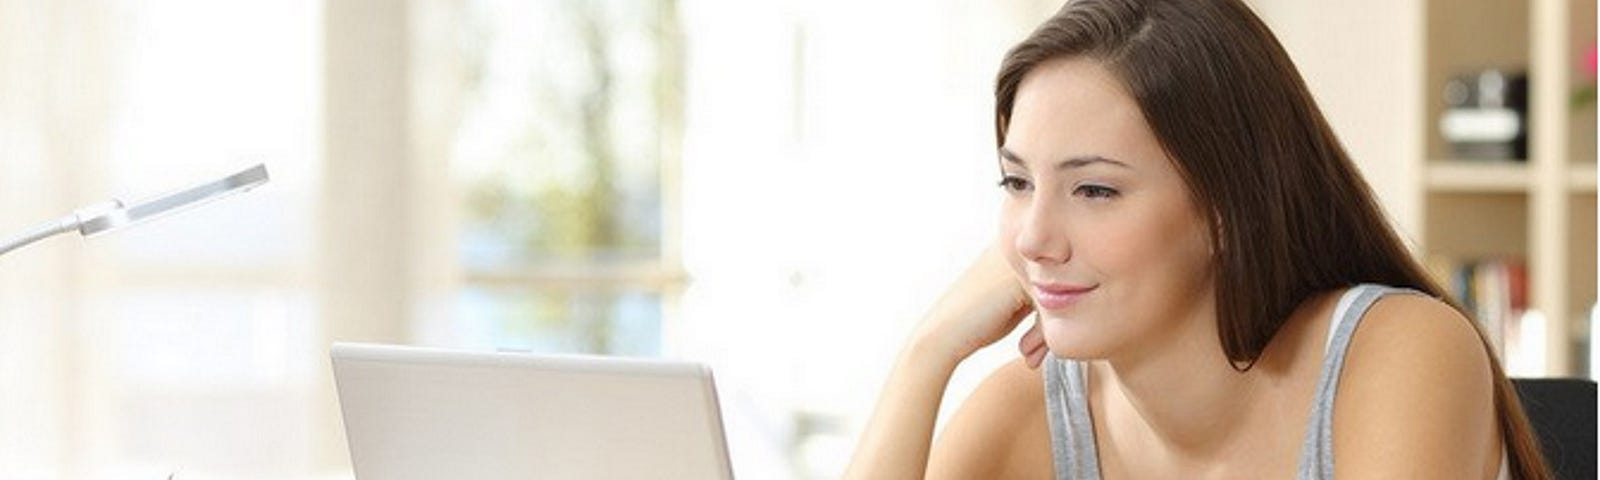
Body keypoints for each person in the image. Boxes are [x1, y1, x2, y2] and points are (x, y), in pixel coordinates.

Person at [843, 0, 1552, 478]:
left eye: (1094, 190)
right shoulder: (1031, 412)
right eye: (1017, 183)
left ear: (1224, 205)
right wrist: (926, 353)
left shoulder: (1397, 351)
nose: (1033, 238)